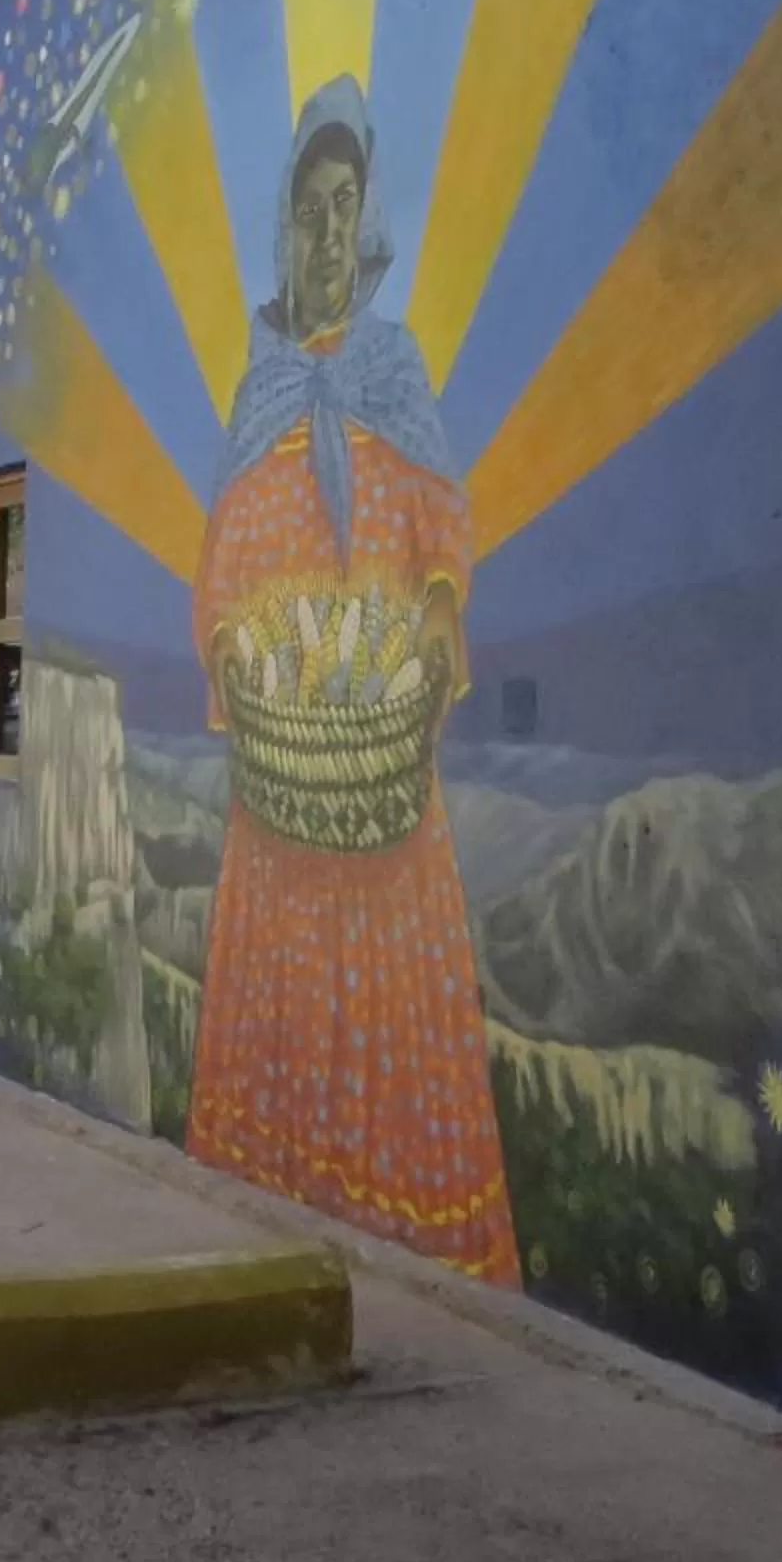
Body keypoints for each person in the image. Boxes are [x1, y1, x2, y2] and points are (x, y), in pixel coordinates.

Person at [186, 76, 518, 1286]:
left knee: (395, 1039)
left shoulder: (395, 375)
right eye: (310, 208)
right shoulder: (257, 393)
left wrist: (428, 637)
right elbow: (220, 584)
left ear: (367, 224)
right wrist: (242, 659)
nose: (327, 233)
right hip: (277, 803)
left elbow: (444, 550)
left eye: (347, 206)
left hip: (387, 804)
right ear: (284, 223)